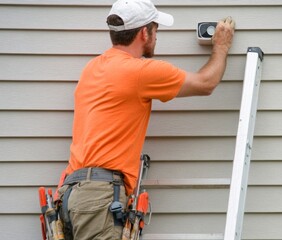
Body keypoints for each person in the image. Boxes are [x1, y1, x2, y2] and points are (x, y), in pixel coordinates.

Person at [57, 0, 235, 239]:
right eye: (155, 30)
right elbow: (206, 83)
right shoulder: (140, 71)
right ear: (144, 32)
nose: (156, 36)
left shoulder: (92, 68)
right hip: (98, 197)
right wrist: (221, 47)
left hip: (71, 194)